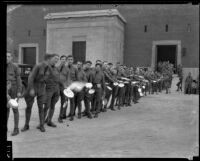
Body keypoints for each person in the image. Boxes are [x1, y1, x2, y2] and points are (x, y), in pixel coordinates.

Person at [21, 54, 53, 132]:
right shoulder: (38, 66)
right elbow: (30, 77)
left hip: (41, 88)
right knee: (29, 107)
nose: (54, 61)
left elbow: (49, 78)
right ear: (48, 59)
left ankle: (41, 125)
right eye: (53, 59)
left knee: (41, 107)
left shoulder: (49, 68)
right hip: (33, 87)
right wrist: (31, 89)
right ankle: (26, 125)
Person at [7, 51, 22, 136]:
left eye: (9, 56)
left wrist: (19, 91)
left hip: (14, 89)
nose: (7, 58)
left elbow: (19, 80)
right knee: (6, 109)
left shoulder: (15, 67)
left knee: (15, 109)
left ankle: (16, 129)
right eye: (6, 56)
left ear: (11, 57)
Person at [44, 54, 60, 127]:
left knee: (52, 106)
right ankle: (41, 122)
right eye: (55, 58)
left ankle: (49, 121)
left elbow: (58, 79)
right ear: (51, 58)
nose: (56, 60)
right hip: (49, 89)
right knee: (46, 106)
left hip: (56, 89)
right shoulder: (46, 67)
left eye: (57, 59)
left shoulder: (56, 68)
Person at [57, 55, 70, 123]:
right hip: (56, 86)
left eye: (65, 59)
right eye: (62, 59)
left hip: (63, 87)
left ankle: (60, 117)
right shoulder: (57, 67)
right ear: (60, 60)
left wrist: (67, 86)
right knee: (52, 102)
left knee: (63, 102)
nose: (63, 60)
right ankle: (48, 118)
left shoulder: (67, 69)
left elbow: (68, 79)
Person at [66, 55, 78, 121]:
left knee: (72, 102)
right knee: (65, 101)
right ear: (67, 60)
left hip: (72, 87)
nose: (70, 61)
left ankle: (71, 115)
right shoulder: (64, 67)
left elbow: (77, 78)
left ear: (73, 61)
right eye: (69, 59)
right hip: (65, 87)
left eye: (71, 59)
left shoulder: (75, 69)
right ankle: (63, 114)